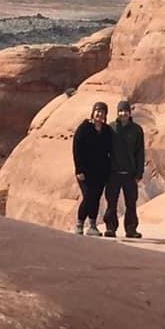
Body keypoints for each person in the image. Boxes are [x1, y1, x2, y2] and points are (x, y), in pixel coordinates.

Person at [103, 99, 145, 239]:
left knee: (131, 203)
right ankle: (110, 228)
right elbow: (104, 150)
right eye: (120, 111)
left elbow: (140, 152)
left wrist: (139, 172)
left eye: (125, 111)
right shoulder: (111, 128)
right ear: (117, 112)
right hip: (113, 173)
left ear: (129, 112)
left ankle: (131, 229)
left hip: (130, 174)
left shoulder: (137, 130)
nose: (123, 113)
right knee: (111, 202)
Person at [71, 101, 112, 235]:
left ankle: (92, 226)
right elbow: (77, 149)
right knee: (88, 196)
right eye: (98, 111)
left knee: (96, 197)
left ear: (106, 115)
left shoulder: (107, 131)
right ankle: (80, 224)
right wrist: (79, 170)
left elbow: (111, 150)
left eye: (102, 112)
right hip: (85, 172)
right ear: (93, 112)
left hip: (100, 172)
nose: (99, 114)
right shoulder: (84, 128)